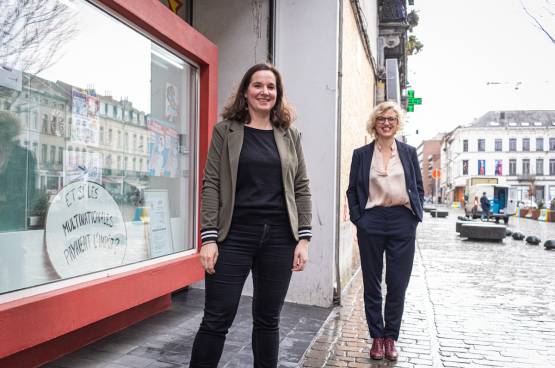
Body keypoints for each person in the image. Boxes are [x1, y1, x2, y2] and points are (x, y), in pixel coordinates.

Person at [190, 63, 312, 368]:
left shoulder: (290, 135)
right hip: (234, 235)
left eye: (271, 87)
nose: (264, 92)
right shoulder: (225, 131)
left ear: (278, 94)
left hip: (280, 238)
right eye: (258, 85)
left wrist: (304, 239)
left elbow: (302, 187)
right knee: (217, 317)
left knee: (269, 320)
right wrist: (209, 238)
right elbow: (211, 184)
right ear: (246, 91)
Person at [346, 101, 424, 361]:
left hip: (403, 219)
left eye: (391, 119)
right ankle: (376, 337)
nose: (387, 123)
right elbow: (352, 191)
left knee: (397, 283)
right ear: (375, 123)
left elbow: (418, 188)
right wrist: (360, 219)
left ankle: (391, 337)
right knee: (372, 282)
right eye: (382, 119)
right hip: (372, 219)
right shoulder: (361, 154)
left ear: (398, 123)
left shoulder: (409, 153)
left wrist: (414, 216)